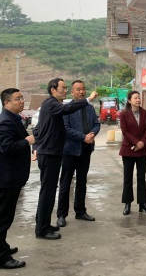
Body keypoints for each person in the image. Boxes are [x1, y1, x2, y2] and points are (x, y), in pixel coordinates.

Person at [33, 78, 98, 240]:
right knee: (55, 188)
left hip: (65, 152)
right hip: (59, 152)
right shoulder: (54, 105)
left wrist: (91, 135)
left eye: (83, 89)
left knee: (54, 190)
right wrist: (88, 100)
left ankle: (46, 224)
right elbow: (66, 121)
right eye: (63, 87)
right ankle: (47, 224)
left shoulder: (57, 105)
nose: (65, 90)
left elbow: (39, 130)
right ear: (53, 89)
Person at [0, 88, 34, 270]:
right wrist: (27, 141)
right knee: (2, 217)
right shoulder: (6, 121)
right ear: (6, 102)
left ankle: (0, 246)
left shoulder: (13, 118)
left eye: (22, 98)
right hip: (8, 177)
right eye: (17, 99)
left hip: (13, 176)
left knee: (5, 216)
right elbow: (6, 147)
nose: (21, 101)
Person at [56, 80, 100, 227]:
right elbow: (65, 129)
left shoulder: (90, 108)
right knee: (65, 182)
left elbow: (97, 124)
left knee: (82, 181)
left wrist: (92, 134)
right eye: (78, 89)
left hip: (86, 150)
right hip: (70, 151)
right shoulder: (67, 109)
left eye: (83, 89)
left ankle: (80, 211)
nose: (81, 92)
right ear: (72, 92)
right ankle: (61, 214)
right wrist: (83, 137)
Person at [119, 91, 146, 216]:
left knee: (141, 178)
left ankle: (143, 204)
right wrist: (136, 142)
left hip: (142, 150)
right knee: (127, 178)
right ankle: (127, 204)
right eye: (135, 98)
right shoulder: (124, 114)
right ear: (129, 100)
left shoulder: (144, 112)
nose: (138, 100)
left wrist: (142, 142)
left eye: (139, 98)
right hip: (129, 150)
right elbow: (124, 131)